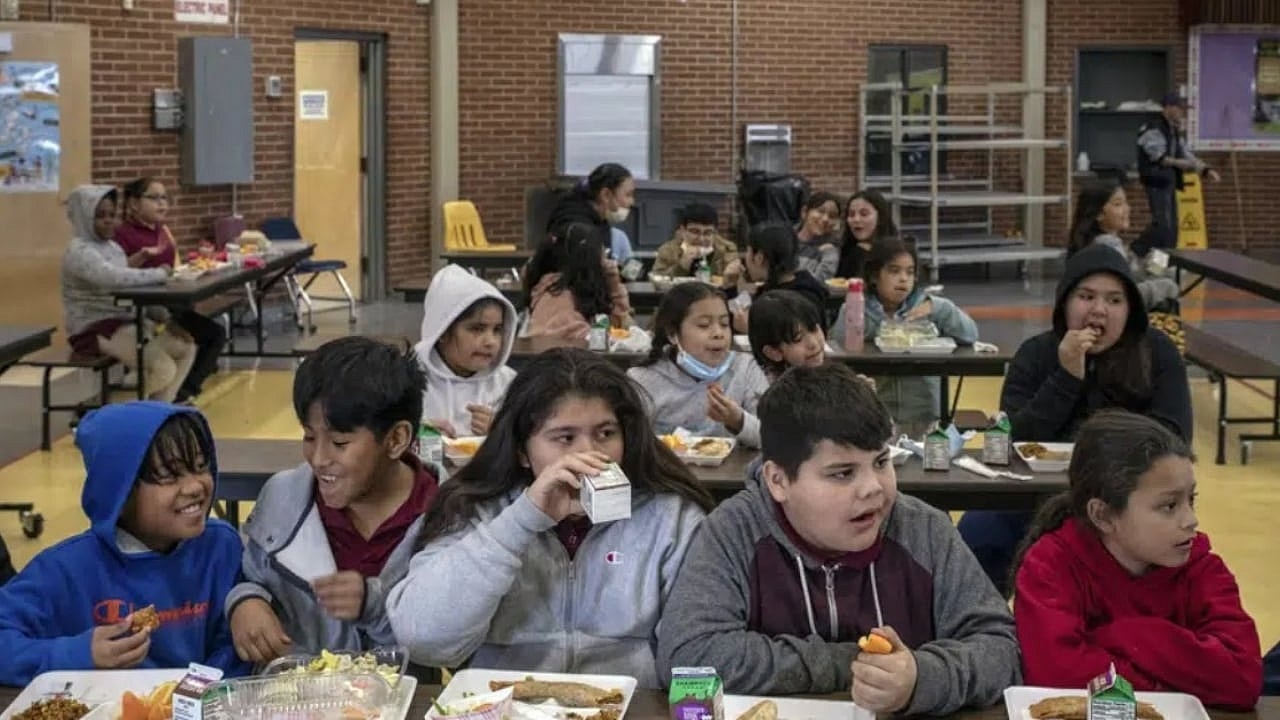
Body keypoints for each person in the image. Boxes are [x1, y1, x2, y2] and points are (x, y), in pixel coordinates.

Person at [657, 364, 1020, 709]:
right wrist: (850, 663)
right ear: (778, 481)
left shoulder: (925, 530)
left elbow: (1002, 650)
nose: (873, 489)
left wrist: (921, 678)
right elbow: (686, 656)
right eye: (843, 474)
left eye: (881, 462)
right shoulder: (734, 531)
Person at [386, 349, 713, 689]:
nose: (590, 455)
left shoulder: (671, 517)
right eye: (565, 438)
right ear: (521, 451)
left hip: (629, 706)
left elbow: (691, 653)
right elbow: (424, 640)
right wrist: (521, 521)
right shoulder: (476, 509)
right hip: (505, 708)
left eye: (605, 434)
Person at [958, 242, 1192, 592]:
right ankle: (980, 632)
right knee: (974, 537)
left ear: (1130, 310)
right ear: (1065, 302)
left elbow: (1175, 436)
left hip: (1128, 504)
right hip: (1033, 499)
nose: (1099, 309)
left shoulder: (1155, 353)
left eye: (1114, 300)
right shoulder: (1036, 354)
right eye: (1086, 296)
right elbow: (1011, 437)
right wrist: (1066, 377)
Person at [1013, 410, 1261, 710]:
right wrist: (1181, 681)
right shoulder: (1049, 566)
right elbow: (1057, 678)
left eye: (1191, 500)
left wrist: (1122, 635)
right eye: (1169, 506)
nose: (1191, 520)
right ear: (1102, 515)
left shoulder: (1203, 568)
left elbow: (1242, 679)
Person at [0, 402, 247, 684]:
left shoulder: (221, 547)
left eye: (201, 467)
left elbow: (232, 643)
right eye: (168, 476)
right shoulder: (66, 569)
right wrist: (78, 654)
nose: (194, 487)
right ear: (119, 490)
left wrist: (195, 692)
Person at [227, 337, 438, 662]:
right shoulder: (284, 497)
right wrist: (245, 601)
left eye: (340, 442)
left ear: (397, 439)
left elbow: (445, 641)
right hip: (294, 703)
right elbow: (252, 574)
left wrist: (373, 604)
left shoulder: (445, 517)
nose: (319, 458)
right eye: (309, 437)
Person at [829, 237, 978, 435]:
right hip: (874, 412)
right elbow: (838, 352)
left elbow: (970, 334)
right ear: (874, 276)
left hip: (924, 411)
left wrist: (939, 307)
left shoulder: (928, 307)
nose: (903, 279)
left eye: (910, 272)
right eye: (894, 271)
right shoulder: (856, 307)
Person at [61, 184, 196, 403]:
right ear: (83, 217)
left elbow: (132, 291)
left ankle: (158, 413)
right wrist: (160, 273)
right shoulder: (79, 251)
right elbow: (114, 278)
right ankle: (106, 410)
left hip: (126, 322)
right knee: (163, 369)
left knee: (186, 348)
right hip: (94, 327)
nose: (108, 221)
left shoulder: (113, 248)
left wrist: (165, 318)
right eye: (100, 216)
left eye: (112, 215)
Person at [114, 177, 225, 403]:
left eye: (164, 198)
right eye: (153, 198)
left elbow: (172, 266)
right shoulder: (122, 235)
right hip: (144, 309)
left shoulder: (162, 231)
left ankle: (183, 391)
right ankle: (179, 393)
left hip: (170, 302)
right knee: (209, 335)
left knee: (214, 333)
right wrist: (143, 256)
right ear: (134, 204)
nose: (161, 204)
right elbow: (118, 272)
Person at [627, 282, 769, 447]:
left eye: (724, 324)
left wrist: (738, 420)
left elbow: (776, 436)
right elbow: (629, 441)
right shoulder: (642, 380)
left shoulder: (745, 368)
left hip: (731, 472)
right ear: (673, 334)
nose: (718, 334)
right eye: (704, 325)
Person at [414, 264, 517, 438]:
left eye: (497, 330)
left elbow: (529, 443)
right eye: (477, 329)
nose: (490, 341)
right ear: (443, 331)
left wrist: (500, 433)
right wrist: (418, 433)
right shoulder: (409, 380)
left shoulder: (508, 384)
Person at [1066, 181, 1180, 310]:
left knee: (1163, 265)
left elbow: (1130, 276)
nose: (1127, 209)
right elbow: (1124, 295)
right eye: (1118, 204)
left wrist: (1154, 262)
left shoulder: (1106, 242)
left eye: (1126, 203)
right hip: (1118, 312)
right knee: (1168, 284)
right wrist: (1165, 286)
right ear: (1099, 214)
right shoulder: (1106, 247)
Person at [1137, 93, 1220, 252]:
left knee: (1173, 227)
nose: (1182, 112)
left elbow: (1185, 153)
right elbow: (1158, 157)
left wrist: (1205, 169)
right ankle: (1137, 250)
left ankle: (1163, 264)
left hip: (1169, 181)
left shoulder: (1172, 130)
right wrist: (1179, 163)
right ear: (1168, 108)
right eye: (1179, 108)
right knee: (1162, 225)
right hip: (1156, 181)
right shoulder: (1153, 128)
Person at [524, 222, 631, 339]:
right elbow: (572, 341)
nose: (607, 262)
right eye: (603, 255)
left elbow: (618, 325)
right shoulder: (557, 296)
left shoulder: (584, 291)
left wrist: (613, 282)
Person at [724, 223, 828, 333]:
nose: (745, 259)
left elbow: (791, 342)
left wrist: (751, 331)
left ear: (759, 257)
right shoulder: (772, 287)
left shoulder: (798, 300)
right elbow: (731, 319)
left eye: (748, 251)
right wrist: (730, 286)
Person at [545, 162, 636, 251]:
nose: (632, 202)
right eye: (628, 195)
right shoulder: (577, 229)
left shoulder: (597, 221)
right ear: (606, 195)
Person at [747, 290, 827, 381]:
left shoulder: (832, 375)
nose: (813, 343)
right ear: (773, 352)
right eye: (798, 338)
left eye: (814, 329)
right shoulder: (772, 390)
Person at [651, 203, 738, 278]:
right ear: (683, 230)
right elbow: (657, 278)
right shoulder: (668, 250)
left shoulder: (727, 248)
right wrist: (682, 265)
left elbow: (736, 282)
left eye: (707, 233)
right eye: (695, 232)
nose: (701, 239)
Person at [837, 190, 896, 280]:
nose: (856, 219)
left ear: (880, 217)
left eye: (864, 214)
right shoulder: (846, 252)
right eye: (851, 214)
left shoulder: (898, 253)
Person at [794, 192, 841, 282]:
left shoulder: (830, 249)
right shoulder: (786, 239)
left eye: (832, 216)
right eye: (821, 211)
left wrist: (829, 253)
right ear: (804, 212)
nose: (825, 219)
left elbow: (820, 282)